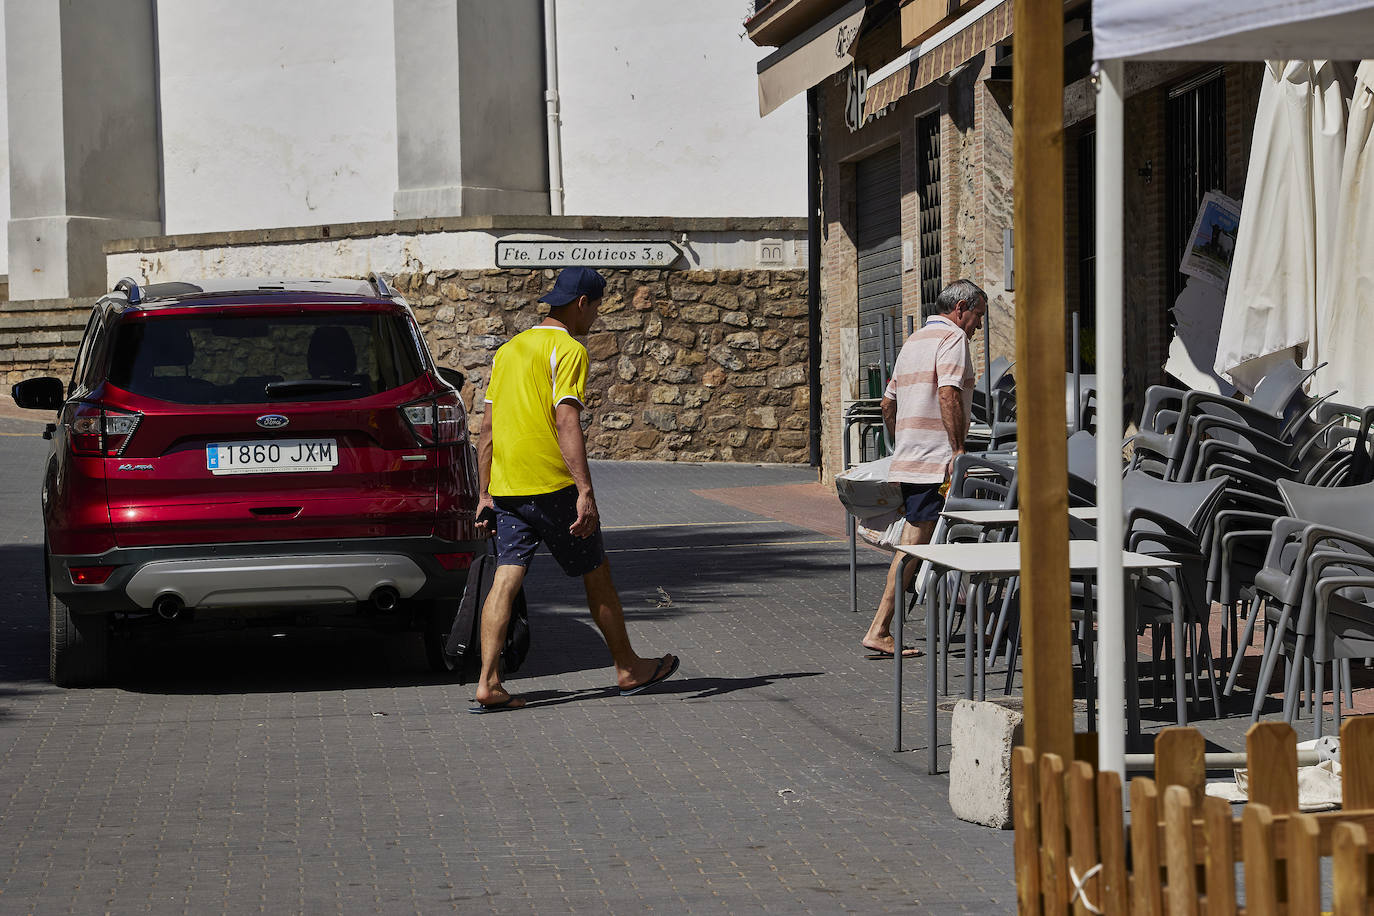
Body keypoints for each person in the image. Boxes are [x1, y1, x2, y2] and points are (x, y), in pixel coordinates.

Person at [471, 266, 680, 712]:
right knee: (596, 574)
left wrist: (484, 493)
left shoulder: (509, 350)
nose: (597, 317)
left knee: (506, 578)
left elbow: (486, 428)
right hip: (552, 486)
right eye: (598, 306)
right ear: (582, 302)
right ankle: (627, 668)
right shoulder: (567, 349)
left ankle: (488, 681)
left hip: (508, 487)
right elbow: (566, 419)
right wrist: (584, 490)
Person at [862, 279, 987, 657]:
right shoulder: (953, 340)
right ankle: (880, 628)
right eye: (978, 316)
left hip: (912, 457)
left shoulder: (914, 341)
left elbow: (887, 404)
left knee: (921, 541)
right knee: (914, 546)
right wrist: (958, 448)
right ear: (961, 307)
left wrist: (901, 444)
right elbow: (949, 393)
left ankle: (894, 622)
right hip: (936, 461)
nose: (978, 326)